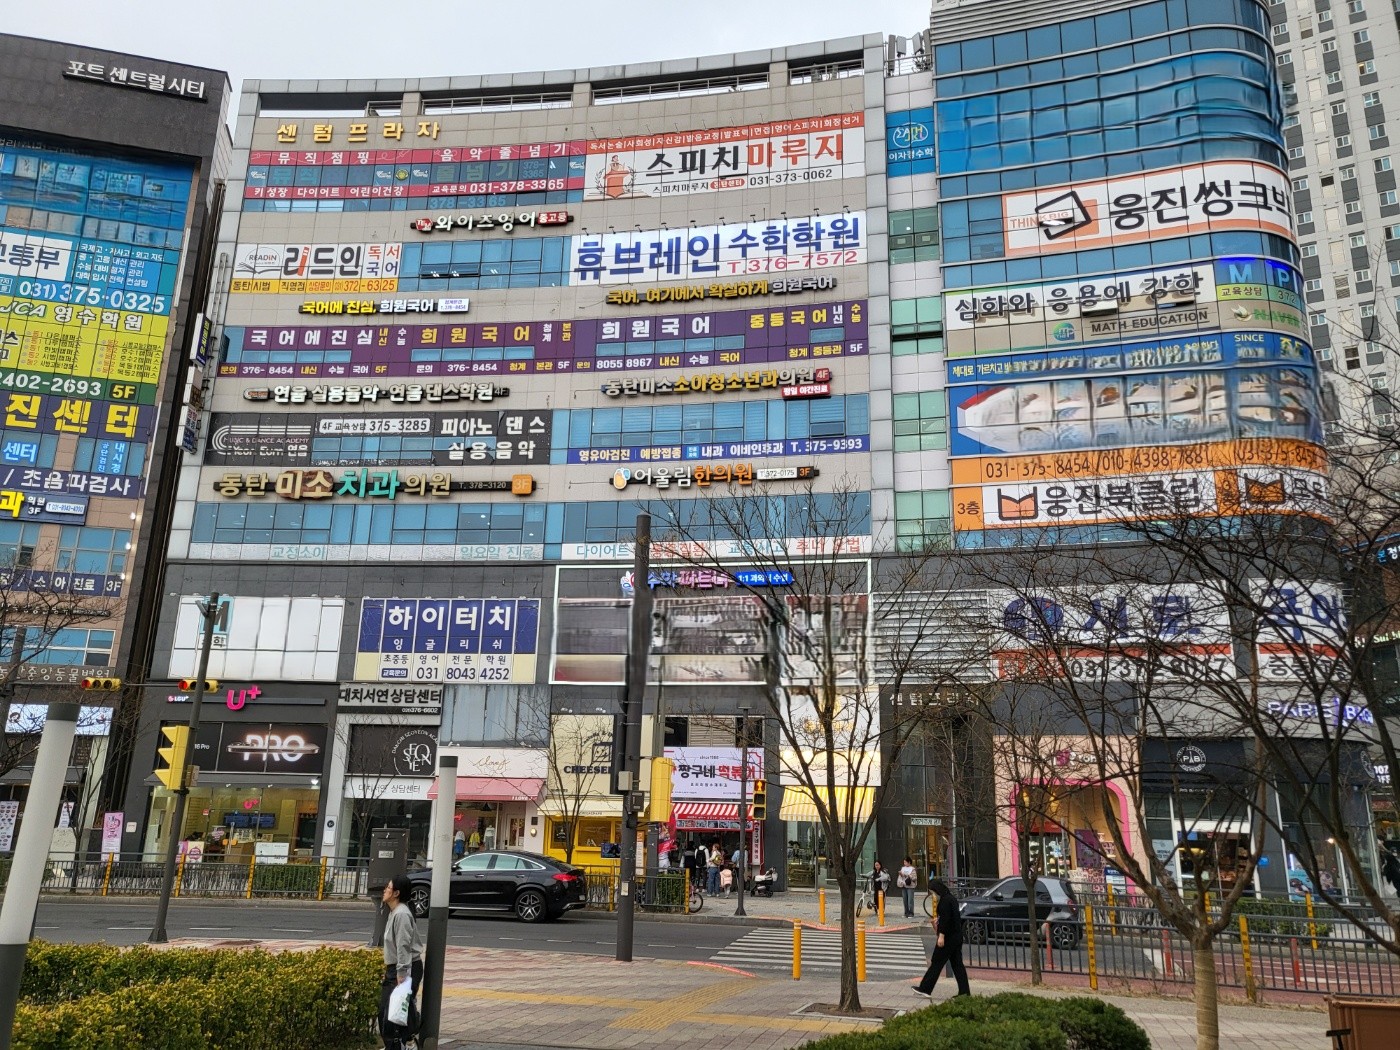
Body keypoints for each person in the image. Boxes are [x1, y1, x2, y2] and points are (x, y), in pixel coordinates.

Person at [379, 874, 425, 1050]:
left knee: (392, 1012)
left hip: (406, 968)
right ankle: (405, 1043)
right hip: (399, 967)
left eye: (388, 887)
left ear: (396, 893)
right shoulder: (395, 912)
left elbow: (403, 945)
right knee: (391, 1011)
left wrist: (402, 973)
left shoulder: (402, 914)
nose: (385, 890)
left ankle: (404, 1044)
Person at [913, 878, 970, 999]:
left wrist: (941, 935)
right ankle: (964, 992)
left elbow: (945, 920)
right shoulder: (951, 898)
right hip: (956, 936)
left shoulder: (944, 901)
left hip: (948, 937)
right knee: (957, 964)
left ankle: (925, 988)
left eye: (932, 892)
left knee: (937, 962)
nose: (933, 895)